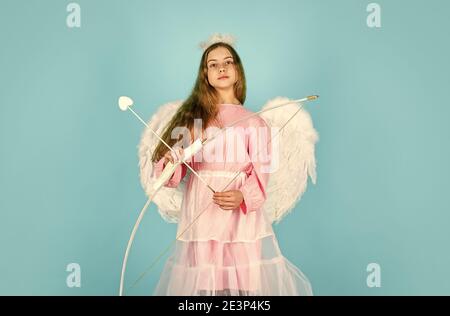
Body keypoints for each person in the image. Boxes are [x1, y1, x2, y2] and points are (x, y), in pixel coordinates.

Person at [151, 40, 312, 296]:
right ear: (206, 75)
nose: (221, 68)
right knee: (205, 280)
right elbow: (176, 173)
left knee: (240, 283)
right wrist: (172, 163)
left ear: (237, 70)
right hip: (202, 210)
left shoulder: (255, 123)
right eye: (213, 65)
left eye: (228, 62)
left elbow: (261, 173)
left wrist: (243, 195)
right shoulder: (194, 120)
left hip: (238, 214)